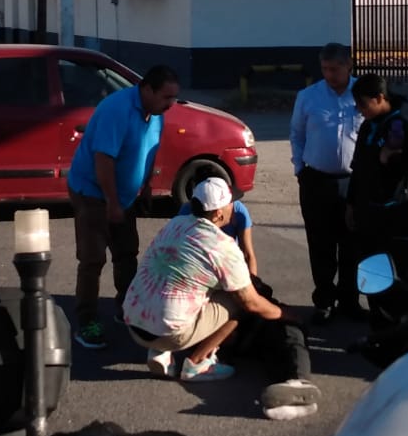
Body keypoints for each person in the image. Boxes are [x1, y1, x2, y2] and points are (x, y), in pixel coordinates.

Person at [122, 177, 321, 420]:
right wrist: (286, 315)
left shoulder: (175, 224)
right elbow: (251, 302)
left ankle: (159, 352)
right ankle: (197, 363)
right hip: (169, 332)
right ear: (218, 213)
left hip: (134, 322)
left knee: (183, 286)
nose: (233, 207)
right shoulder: (222, 246)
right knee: (240, 301)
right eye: (230, 204)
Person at [66, 64, 182, 350]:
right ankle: (86, 321)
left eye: (174, 97)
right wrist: (113, 203)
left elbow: (150, 150)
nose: (172, 104)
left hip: (125, 196)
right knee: (93, 259)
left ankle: (127, 308)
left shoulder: (155, 114)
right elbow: (103, 161)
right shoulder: (116, 110)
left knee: (126, 252)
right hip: (93, 193)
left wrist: (146, 187)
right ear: (148, 89)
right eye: (167, 97)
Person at [289, 42, 362, 323]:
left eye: (335, 68)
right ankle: (324, 301)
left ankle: (350, 301)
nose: (330, 74)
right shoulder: (308, 96)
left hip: (353, 182)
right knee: (320, 244)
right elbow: (296, 134)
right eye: (325, 69)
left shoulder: (362, 95)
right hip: (316, 180)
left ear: (349, 66)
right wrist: (300, 169)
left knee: (352, 244)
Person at [346, 75, 408, 295]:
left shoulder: (405, 128)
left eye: (363, 104)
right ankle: (379, 323)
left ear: (380, 98)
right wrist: (351, 204)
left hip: (397, 213)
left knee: (404, 271)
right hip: (368, 212)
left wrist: (390, 159)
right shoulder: (367, 127)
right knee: (372, 271)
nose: (359, 109)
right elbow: (358, 169)